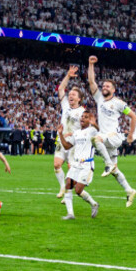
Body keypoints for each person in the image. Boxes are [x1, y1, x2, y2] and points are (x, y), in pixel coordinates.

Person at [87, 55, 136, 207]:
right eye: (103, 86)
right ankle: (129, 190)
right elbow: (91, 81)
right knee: (115, 171)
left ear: (114, 90)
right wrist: (90, 65)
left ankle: (108, 164)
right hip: (106, 139)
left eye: (108, 86)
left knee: (95, 139)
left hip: (114, 136)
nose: (104, 88)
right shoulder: (99, 99)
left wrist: (130, 135)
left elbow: (133, 117)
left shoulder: (119, 103)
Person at [57, 110, 100, 220]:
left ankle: (94, 204)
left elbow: (99, 131)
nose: (82, 118)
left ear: (89, 120)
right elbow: (67, 146)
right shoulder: (76, 133)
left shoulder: (92, 131)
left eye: (86, 117)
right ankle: (70, 214)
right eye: (82, 116)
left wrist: (94, 123)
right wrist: (60, 134)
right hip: (76, 164)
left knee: (78, 190)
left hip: (87, 164)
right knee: (68, 185)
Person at [54, 65, 86, 199]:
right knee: (57, 164)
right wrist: (68, 75)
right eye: (70, 94)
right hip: (61, 141)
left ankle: (68, 194)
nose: (70, 96)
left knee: (71, 170)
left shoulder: (83, 113)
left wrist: (72, 134)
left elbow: (85, 131)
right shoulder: (65, 106)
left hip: (73, 144)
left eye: (73, 95)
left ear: (79, 99)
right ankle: (62, 187)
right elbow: (61, 89)